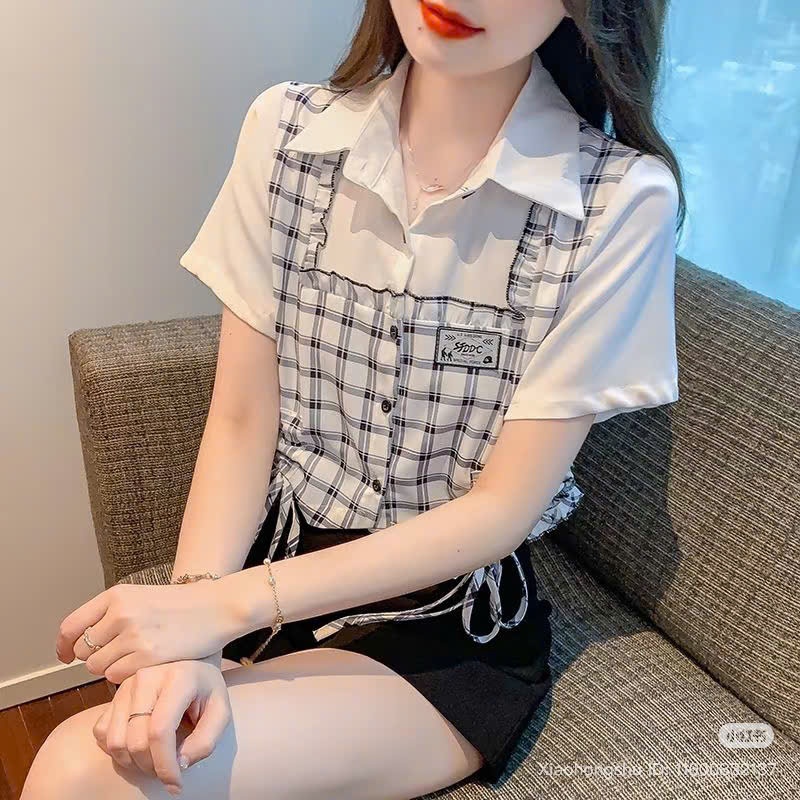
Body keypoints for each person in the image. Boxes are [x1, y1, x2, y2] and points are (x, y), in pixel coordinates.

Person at [25, 1, 683, 798]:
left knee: (81, 770)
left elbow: (501, 510)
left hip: (444, 625)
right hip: (270, 566)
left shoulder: (618, 202)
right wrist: (193, 624)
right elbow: (241, 422)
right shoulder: (285, 132)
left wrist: (221, 611)